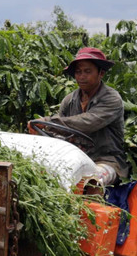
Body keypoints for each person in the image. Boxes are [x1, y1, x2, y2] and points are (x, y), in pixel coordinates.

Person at [48, 47, 129, 187]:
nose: (81, 76)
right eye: (78, 72)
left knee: (90, 183)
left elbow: (87, 122)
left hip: (106, 160)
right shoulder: (69, 100)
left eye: (87, 71)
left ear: (101, 73)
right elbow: (57, 130)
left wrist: (49, 122)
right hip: (74, 159)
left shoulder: (111, 98)